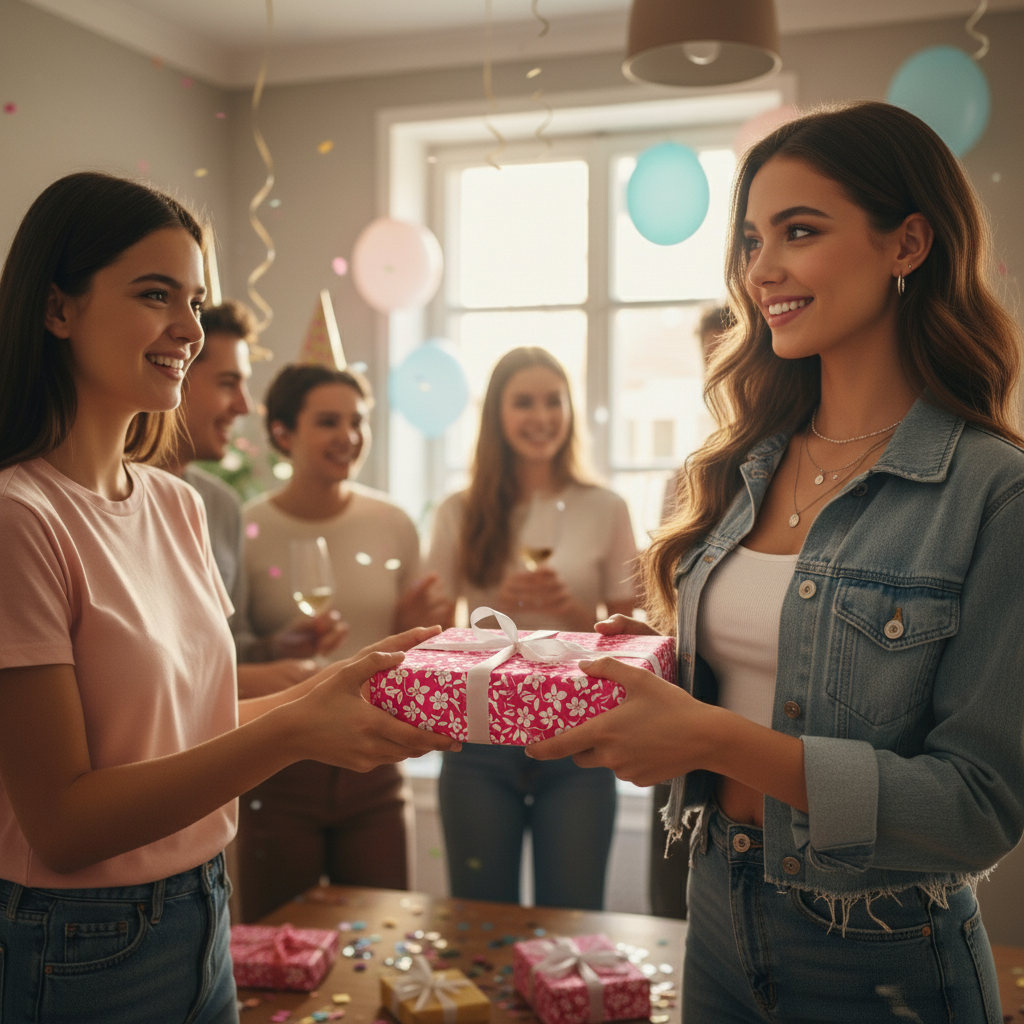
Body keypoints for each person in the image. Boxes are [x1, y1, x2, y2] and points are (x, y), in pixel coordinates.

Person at [527, 101, 1024, 1023]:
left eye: (800, 232)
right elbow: (782, 672)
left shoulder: (993, 493)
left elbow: (978, 809)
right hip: (717, 907)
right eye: (753, 239)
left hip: (883, 954)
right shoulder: (740, 464)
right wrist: (661, 669)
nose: (762, 270)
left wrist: (711, 738)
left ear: (907, 243)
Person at [0, 172, 458, 1024]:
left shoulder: (175, 504)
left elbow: (189, 730)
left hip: (205, 911)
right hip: (78, 944)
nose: (188, 329)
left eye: (196, 301)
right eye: (154, 295)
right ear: (58, 308)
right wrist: (297, 724)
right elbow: (62, 822)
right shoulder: (19, 520)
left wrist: (332, 686)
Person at [236, 363, 453, 921]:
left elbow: (419, 653)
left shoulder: (394, 523)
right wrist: (278, 646)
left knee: (382, 935)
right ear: (283, 433)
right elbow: (227, 652)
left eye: (357, 421)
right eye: (327, 421)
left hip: (376, 759)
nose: (348, 436)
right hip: (279, 768)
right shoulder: (246, 527)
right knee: (276, 942)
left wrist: (409, 623)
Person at [425, 346, 638, 909]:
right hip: (478, 737)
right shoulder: (459, 510)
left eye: (553, 401)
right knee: (477, 914)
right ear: (497, 414)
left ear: (570, 410)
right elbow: (431, 633)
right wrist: (491, 611)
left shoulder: (606, 507)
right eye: (523, 402)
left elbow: (637, 638)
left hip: (577, 735)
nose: (540, 416)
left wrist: (574, 617)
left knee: (572, 916)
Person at [162, 299, 347, 699]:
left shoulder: (222, 506)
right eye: (228, 383)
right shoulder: (100, 501)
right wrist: (239, 682)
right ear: (175, 374)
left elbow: (233, 643)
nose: (245, 406)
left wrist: (274, 649)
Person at [651, 303, 730, 921]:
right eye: (709, 361)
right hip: (681, 718)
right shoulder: (689, 475)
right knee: (669, 901)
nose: (721, 375)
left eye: (729, 355)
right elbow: (671, 612)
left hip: (749, 743)